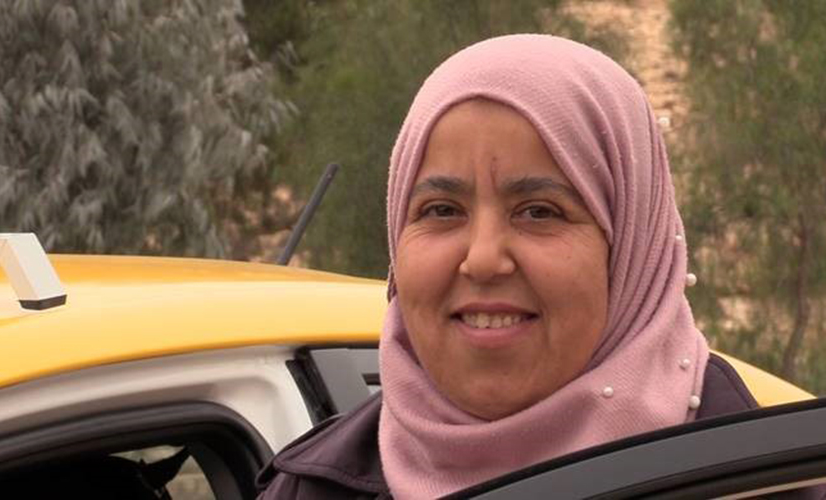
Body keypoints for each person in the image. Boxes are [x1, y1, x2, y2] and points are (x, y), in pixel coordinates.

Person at [255, 34, 771, 499]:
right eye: (441, 211)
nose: (482, 259)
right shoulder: (310, 489)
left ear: (634, 248)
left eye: (539, 212)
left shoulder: (766, 477)